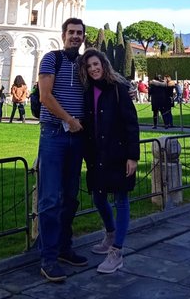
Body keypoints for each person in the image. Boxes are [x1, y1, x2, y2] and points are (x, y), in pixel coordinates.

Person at [78, 49, 140, 274]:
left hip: (118, 153)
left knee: (121, 200)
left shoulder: (118, 89)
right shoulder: (86, 91)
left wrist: (133, 156)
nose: (93, 69)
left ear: (104, 64)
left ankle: (117, 251)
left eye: (96, 64)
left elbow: (131, 123)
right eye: (88, 66)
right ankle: (110, 232)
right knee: (98, 197)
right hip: (96, 154)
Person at [38, 18, 87, 283]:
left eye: (79, 33)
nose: (75, 37)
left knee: (70, 196)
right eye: (71, 32)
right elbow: (45, 96)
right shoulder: (50, 58)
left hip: (77, 137)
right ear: (63, 35)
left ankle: (64, 248)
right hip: (55, 133)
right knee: (50, 198)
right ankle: (47, 258)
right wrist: (69, 119)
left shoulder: (83, 64)